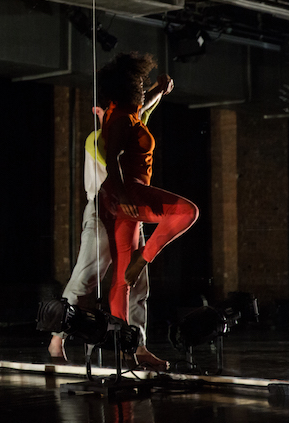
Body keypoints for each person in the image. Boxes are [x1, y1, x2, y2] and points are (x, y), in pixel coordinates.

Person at [48, 77, 173, 370]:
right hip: (102, 212)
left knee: (137, 282)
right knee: (86, 276)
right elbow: (115, 163)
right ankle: (56, 338)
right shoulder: (97, 139)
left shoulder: (130, 125)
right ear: (98, 112)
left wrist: (157, 91)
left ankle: (137, 345)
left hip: (131, 213)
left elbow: (141, 110)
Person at [97, 52, 199, 329]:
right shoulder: (122, 119)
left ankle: (122, 340)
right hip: (130, 193)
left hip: (120, 198)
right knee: (186, 212)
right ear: (126, 87)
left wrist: (159, 89)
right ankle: (143, 259)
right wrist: (125, 196)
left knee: (122, 277)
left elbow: (144, 105)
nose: (143, 88)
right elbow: (112, 159)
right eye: (139, 84)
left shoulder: (126, 112)